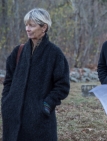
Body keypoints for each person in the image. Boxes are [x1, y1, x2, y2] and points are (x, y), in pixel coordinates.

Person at [1, 8, 70, 141]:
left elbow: (62, 86)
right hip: (13, 116)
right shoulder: (18, 51)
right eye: (26, 25)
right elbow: (8, 80)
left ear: (44, 27)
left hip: (40, 120)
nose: (27, 28)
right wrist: (6, 103)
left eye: (32, 25)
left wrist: (46, 105)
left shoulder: (55, 54)